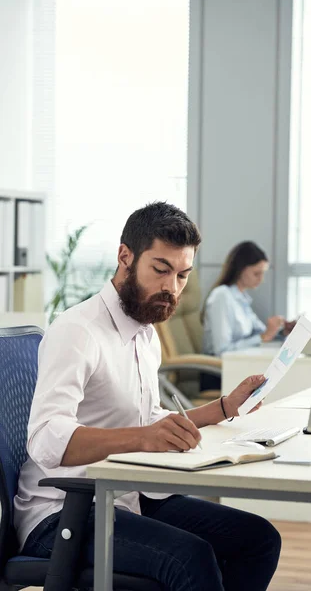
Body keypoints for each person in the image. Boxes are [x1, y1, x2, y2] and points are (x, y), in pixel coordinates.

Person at [14, 202, 281, 591]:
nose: (172, 287)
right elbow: (46, 439)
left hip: (124, 496)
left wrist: (223, 408)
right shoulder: (78, 331)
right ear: (125, 256)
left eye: (182, 275)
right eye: (161, 270)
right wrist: (142, 438)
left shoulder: (144, 332)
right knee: (191, 559)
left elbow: (148, 417)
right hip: (61, 513)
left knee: (257, 539)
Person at [203, 241, 295, 356]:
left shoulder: (242, 299)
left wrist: (281, 331)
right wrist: (263, 337)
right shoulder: (222, 296)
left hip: (238, 363)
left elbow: (260, 333)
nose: (261, 280)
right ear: (240, 269)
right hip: (220, 370)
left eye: (262, 274)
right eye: (256, 274)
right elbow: (223, 351)